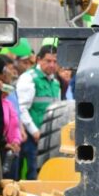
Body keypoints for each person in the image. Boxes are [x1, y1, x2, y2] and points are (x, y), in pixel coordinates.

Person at [17, 45, 61, 181]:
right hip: (33, 138)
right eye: (48, 61)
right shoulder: (29, 79)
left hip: (51, 138)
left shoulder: (55, 83)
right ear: (39, 60)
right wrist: (35, 132)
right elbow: (22, 109)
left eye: (55, 61)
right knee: (33, 175)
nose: (52, 65)